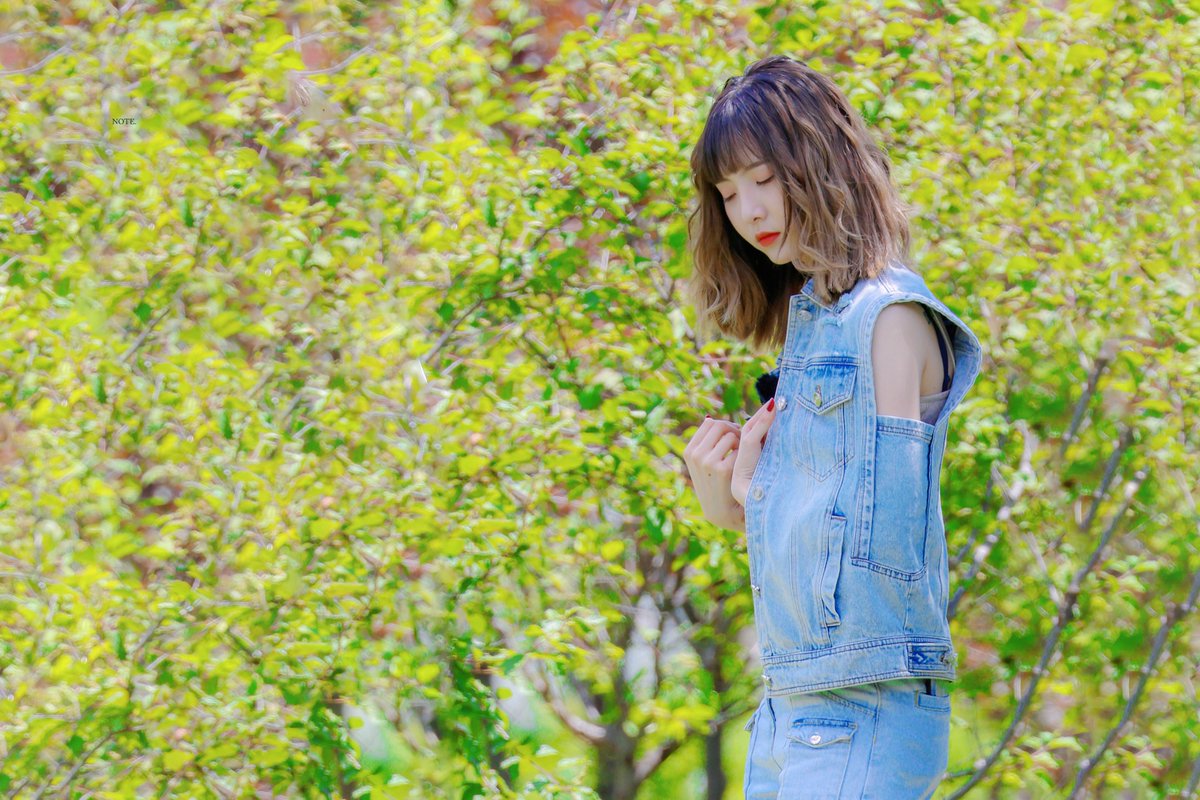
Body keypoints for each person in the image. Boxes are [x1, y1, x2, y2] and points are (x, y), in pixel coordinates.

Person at [680, 56, 985, 798]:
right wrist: (727, 501)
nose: (749, 211)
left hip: (863, 702)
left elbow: (883, 530)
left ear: (820, 160)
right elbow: (827, 538)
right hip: (795, 702)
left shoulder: (888, 317)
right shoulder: (816, 322)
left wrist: (752, 491)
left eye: (763, 178)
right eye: (728, 193)